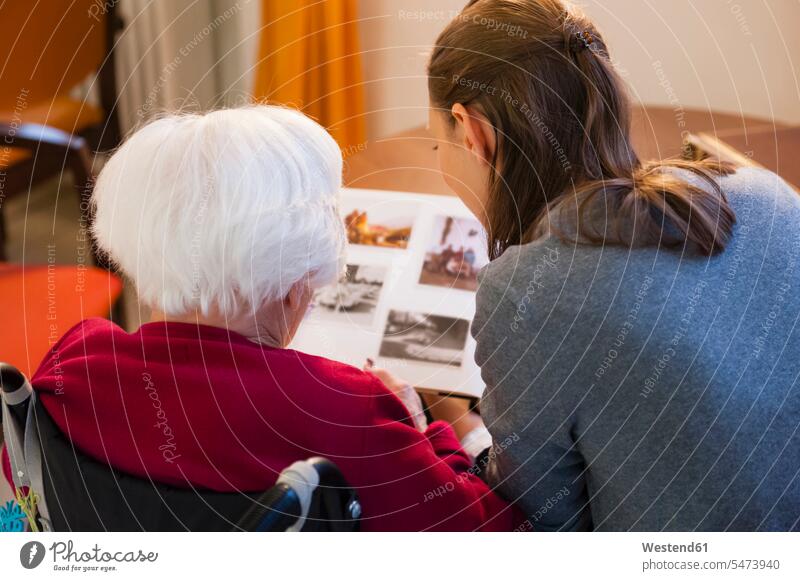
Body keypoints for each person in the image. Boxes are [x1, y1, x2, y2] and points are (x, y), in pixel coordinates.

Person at [1, 105, 519, 531]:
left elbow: (27, 483)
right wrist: (439, 428)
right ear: (298, 283)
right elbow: (489, 537)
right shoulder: (349, 411)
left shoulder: (76, 362)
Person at [417, 0, 800, 531]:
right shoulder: (770, 196)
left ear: (469, 131)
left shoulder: (525, 293)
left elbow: (548, 522)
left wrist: (462, 433)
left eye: (438, 141)